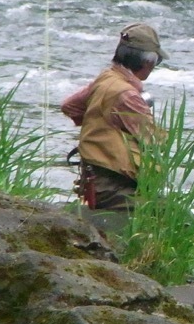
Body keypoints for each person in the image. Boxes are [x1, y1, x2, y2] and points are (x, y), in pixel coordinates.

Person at [61, 22, 167, 212]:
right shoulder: (127, 95)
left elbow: (70, 106)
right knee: (169, 213)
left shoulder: (107, 78)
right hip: (111, 187)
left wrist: (105, 123)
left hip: (93, 181)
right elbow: (154, 141)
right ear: (148, 63)